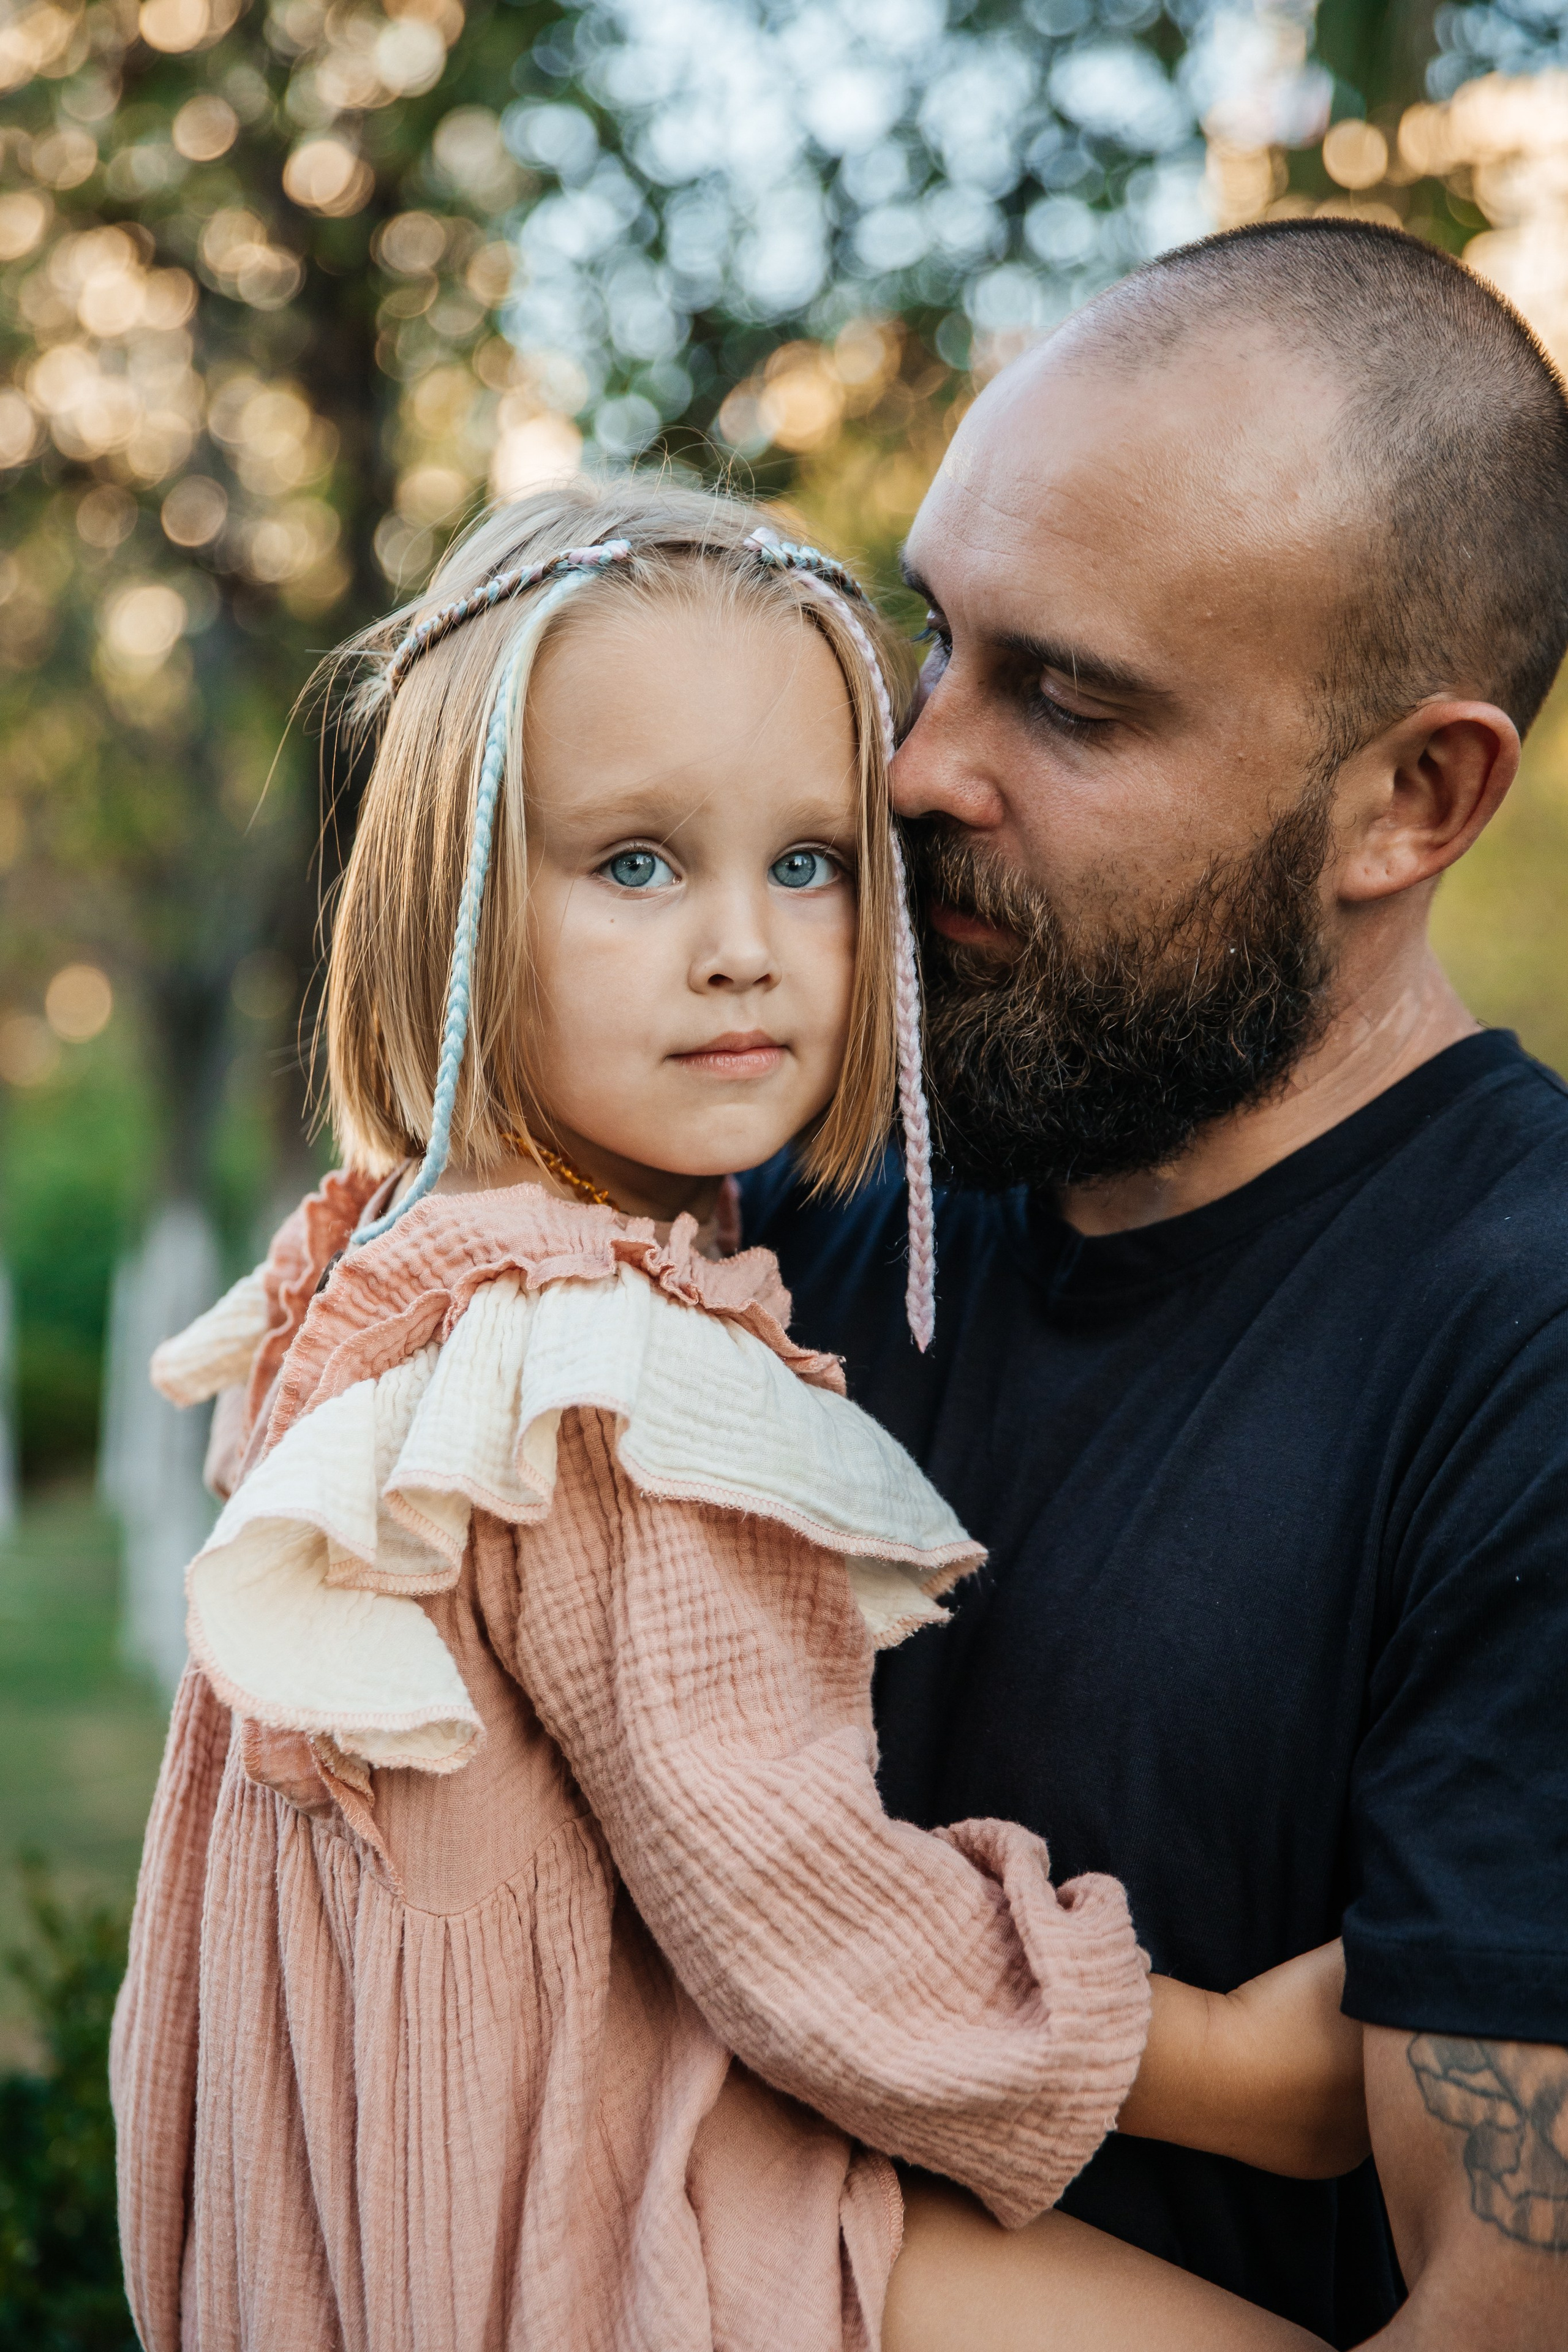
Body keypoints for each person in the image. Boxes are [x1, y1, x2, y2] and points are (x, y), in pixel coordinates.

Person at [111, 480, 1357, 2352]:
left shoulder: (397, 1255)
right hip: (622, 2220)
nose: (740, 948)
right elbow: (794, 1913)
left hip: (421, 2198)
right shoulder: (588, 1369)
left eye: (807, 862)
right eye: (633, 865)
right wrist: (1252, 2072)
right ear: (449, 893)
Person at [744, 219, 1568, 2351]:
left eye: (1073, 700)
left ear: (1413, 797)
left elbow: (1505, 2311)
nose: (924, 763)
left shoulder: (1528, 1351)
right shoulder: (795, 1182)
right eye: (938, 637)